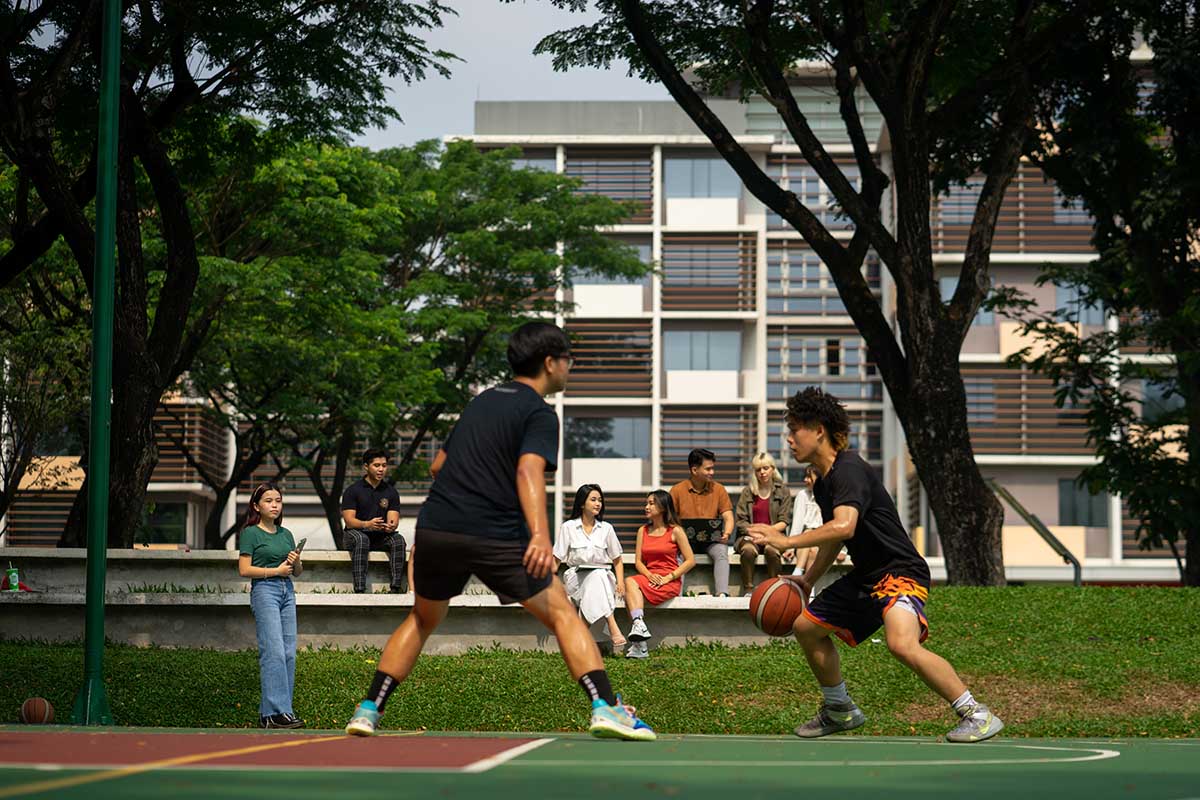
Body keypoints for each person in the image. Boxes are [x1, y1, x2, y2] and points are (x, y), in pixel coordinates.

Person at [344, 322, 654, 740]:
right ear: (550, 362)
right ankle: (605, 707)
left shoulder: (481, 402)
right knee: (562, 614)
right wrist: (540, 535)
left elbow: (438, 466)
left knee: (421, 618)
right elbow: (528, 470)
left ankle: (368, 709)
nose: (570, 366)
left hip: (437, 527)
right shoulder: (539, 412)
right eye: (568, 359)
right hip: (494, 531)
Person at [749, 387, 1004, 743]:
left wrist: (787, 541)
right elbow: (836, 537)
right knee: (806, 627)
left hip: (900, 571)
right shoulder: (823, 483)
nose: (789, 439)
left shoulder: (849, 469)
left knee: (901, 644)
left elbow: (845, 526)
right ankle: (839, 709)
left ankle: (976, 714)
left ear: (819, 430)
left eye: (795, 429)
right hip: (867, 576)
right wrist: (807, 579)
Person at [237, 482, 304, 729]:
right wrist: (275, 570)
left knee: (288, 653)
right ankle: (276, 713)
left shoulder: (286, 534)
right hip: (265, 591)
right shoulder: (250, 533)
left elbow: (297, 571)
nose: (274, 505)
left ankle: (277, 713)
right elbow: (244, 569)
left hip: (287, 591)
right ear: (257, 506)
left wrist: (296, 561)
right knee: (273, 651)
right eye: (268, 501)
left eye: (278, 500)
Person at [623, 490, 696, 659]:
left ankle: (639, 644)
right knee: (630, 583)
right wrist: (649, 576)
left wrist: (668, 577)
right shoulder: (642, 531)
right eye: (646, 503)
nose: (646, 507)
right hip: (649, 577)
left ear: (663, 507)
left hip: (669, 581)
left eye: (651, 503)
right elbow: (638, 562)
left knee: (630, 589)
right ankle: (639, 629)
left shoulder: (675, 531)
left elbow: (690, 560)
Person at [554, 484, 626, 648]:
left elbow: (617, 560)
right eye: (593, 500)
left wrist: (620, 582)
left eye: (600, 500)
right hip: (576, 578)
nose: (598, 504)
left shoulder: (606, 529)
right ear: (582, 503)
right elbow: (556, 559)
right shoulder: (568, 527)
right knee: (597, 578)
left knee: (598, 575)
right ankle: (612, 625)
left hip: (603, 577)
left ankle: (579, 636)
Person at [341, 449, 408, 594]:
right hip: (354, 534)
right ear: (366, 466)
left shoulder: (391, 492)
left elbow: (393, 519)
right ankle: (360, 589)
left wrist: (390, 526)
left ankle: (396, 588)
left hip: (380, 536)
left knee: (398, 540)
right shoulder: (353, 490)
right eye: (376, 465)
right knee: (362, 539)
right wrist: (367, 524)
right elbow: (349, 521)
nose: (381, 469)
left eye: (384, 465)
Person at [670, 449, 734, 596]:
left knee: (722, 552)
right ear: (694, 470)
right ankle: (676, 595)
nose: (712, 472)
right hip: (685, 542)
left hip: (711, 542)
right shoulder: (677, 490)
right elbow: (669, 520)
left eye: (713, 468)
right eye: (708, 469)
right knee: (678, 556)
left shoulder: (719, 489)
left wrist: (727, 533)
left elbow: (728, 517)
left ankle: (722, 594)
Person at [733, 452, 794, 590]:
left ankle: (773, 588)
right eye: (758, 469)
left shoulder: (783, 491)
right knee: (748, 551)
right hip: (750, 537)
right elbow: (741, 521)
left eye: (766, 468)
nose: (762, 472)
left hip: (774, 536)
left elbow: (784, 521)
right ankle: (748, 589)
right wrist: (755, 534)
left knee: (771, 551)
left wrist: (766, 534)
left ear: (773, 469)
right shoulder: (747, 492)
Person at [789, 465, 824, 577]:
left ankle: (800, 574)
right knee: (809, 537)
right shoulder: (802, 495)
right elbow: (797, 524)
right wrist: (790, 547)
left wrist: (842, 551)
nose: (805, 480)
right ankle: (802, 576)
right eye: (805, 476)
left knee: (813, 546)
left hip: (823, 538)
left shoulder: (829, 496)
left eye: (809, 477)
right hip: (805, 539)